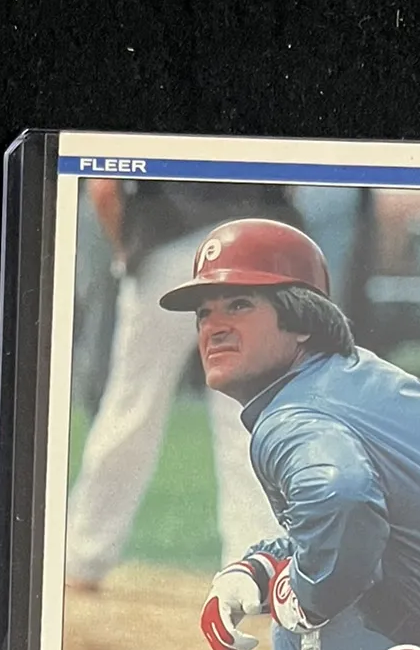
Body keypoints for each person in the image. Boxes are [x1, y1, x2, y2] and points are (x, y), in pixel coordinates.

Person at [170, 218, 420, 650]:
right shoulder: (356, 379)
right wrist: (261, 568)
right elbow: (362, 522)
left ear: (303, 323)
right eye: (203, 313)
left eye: (239, 305)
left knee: (307, 619)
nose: (214, 328)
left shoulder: (290, 416)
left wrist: (305, 598)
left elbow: (341, 494)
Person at [62, 179, 296, 588]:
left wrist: (124, 251)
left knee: (131, 410)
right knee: (247, 419)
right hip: (253, 250)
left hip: (165, 247)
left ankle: (83, 556)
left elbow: (103, 187)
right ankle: (253, 570)